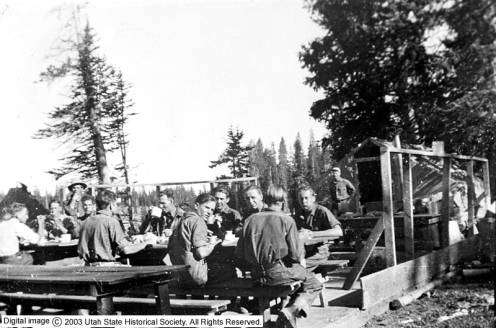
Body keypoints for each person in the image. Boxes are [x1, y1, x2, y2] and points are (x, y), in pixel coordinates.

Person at [235, 186, 323, 328]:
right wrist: (300, 239)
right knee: (314, 283)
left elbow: (240, 254)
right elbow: (295, 255)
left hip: (257, 275)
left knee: (298, 277)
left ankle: (285, 310)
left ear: (266, 199)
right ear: (282, 201)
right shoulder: (286, 220)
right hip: (278, 273)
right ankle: (290, 310)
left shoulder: (250, 220)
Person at [168, 193, 233, 287]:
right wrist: (212, 243)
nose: (209, 212)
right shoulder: (199, 221)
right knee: (230, 270)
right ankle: (228, 300)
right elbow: (201, 253)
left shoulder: (183, 219)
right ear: (196, 205)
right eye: (207, 207)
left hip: (181, 275)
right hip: (196, 276)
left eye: (212, 210)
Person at [78, 189, 148, 265]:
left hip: (88, 266)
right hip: (106, 267)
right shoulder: (111, 221)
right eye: (116, 204)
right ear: (111, 205)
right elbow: (126, 250)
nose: (118, 207)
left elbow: (81, 250)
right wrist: (148, 243)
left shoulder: (86, 222)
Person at [294, 185, 343, 271]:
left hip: (320, 253)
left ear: (313, 198)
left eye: (306, 198)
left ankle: (312, 283)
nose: (303, 201)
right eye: (301, 199)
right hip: (303, 253)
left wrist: (313, 234)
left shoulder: (322, 211)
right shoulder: (298, 215)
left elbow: (339, 232)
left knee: (298, 268)